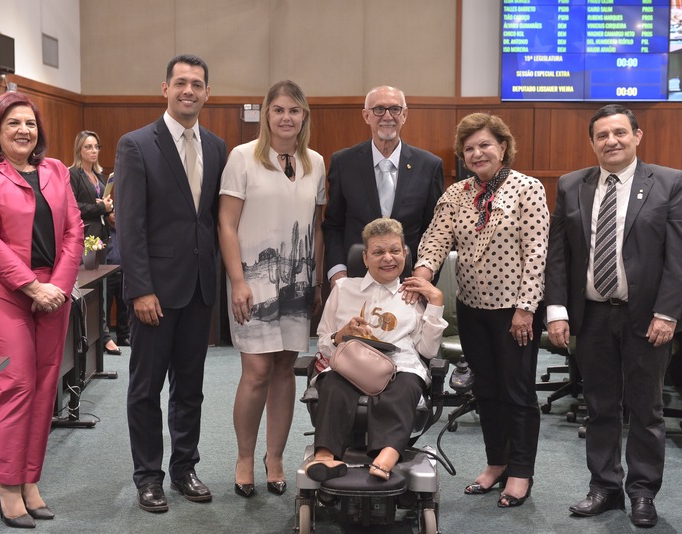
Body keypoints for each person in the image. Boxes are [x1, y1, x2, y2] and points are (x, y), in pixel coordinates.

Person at [545, 104, 682, 528]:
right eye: (602, 135)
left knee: (646, 409)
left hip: (648, 318)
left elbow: (681, 258)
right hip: (593, 315)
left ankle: (643, 491)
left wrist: (667, 313)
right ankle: (605, 487)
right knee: (599, 407)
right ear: (592, 143)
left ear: (637, 136)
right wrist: (556, 310)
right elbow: (558, 254)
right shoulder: (571, 184)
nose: (611, 141)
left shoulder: (670, 182)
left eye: (619, 133)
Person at [413, 113, 549, 508]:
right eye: (469, 148)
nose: (477, 153)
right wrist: (420, 280)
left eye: (485, 144)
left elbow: (537, 254)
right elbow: (435, 241)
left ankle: (520, 471)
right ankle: (496, 463)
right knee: (485, 390)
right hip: (472, 309)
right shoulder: (457, 194)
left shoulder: (528, 188)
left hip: (515, 312)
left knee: (517, 392)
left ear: (503, 147)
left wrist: (526, 310)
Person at [0, 92, 84, 528]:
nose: (23, 130)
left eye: (30, 123)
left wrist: (57, 288)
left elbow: (74, 231)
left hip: (52, 290)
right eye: (13, 123)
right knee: (16, 385)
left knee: (46, 385)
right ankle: (8, 485)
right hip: (2, 291)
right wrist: (32, 286)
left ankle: (31, 480)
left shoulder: (56, 171)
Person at [115, 54, 227, 513]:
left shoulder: (217, 147)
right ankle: (148, 477)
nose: (188, 91)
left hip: (199, 289)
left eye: (197, 84)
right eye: (180, 82)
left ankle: (184, 469)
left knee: (190, 388)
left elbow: (212, 220)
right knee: (146, 389)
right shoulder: (137, 145)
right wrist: (140, 288)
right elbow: (130, 225)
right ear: (165, 89)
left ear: (206, 93)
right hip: (154, 293)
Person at [218, 80, 325, 498]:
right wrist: (237, 281)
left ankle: (275, 458)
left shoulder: (315, 162)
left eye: (294, 110)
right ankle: (245, 457)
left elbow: (316, 228)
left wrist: (316, 280)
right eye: (278, 109)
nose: (286, 117)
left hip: (298, 282)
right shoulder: (243, 157)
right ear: (266, 114)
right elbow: (227, 224)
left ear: (304, 117)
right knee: (257, 370)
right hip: (253, 282)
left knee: (284, 368)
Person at [305, 218, 446, 482]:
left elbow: (427, 351)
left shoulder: (413, 294)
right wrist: (340, 334)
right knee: (333, 384)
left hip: (400, 366)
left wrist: (436, 302)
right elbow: (323, 342)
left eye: (394, 250)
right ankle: (325, 456)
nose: (388, 258)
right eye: (378, 252)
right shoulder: (343, 289)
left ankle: (387, 456)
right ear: (365, 257)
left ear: (404, 253)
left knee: (406, 386)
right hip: (351, 365)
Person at [322, 85, 444, 286]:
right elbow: (334, 225)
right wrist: (337, 273)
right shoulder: (343, 163)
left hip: (409, 284)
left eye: (395, 109)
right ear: (366, 115)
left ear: (404, 115)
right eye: (379, 109)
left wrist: (422, 276)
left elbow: (434, 230)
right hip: (354, 281)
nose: (387, 116)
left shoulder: (429, 166)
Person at [68, 130, 120, 355]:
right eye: (88, 147)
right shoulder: (73, 174)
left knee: (101, 288)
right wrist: (101, 207)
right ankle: (96, 336)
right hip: (84, 238)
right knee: (87, 289)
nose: (93, 151)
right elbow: (72, 206)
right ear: (79, 150)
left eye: (96, 147)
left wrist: (108, 209)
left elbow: (102, 207)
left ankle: (102, 335)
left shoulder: (99, 176)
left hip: (102, 236)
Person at [103, 172, 129, 347]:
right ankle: (106, 336)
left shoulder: (124, 231)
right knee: (105, 306)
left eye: (116, 212)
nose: (114, 215)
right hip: (108, 273)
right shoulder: (104, 232)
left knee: (123, 307)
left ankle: (123, 336)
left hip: (123, 272)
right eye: (111, 212)